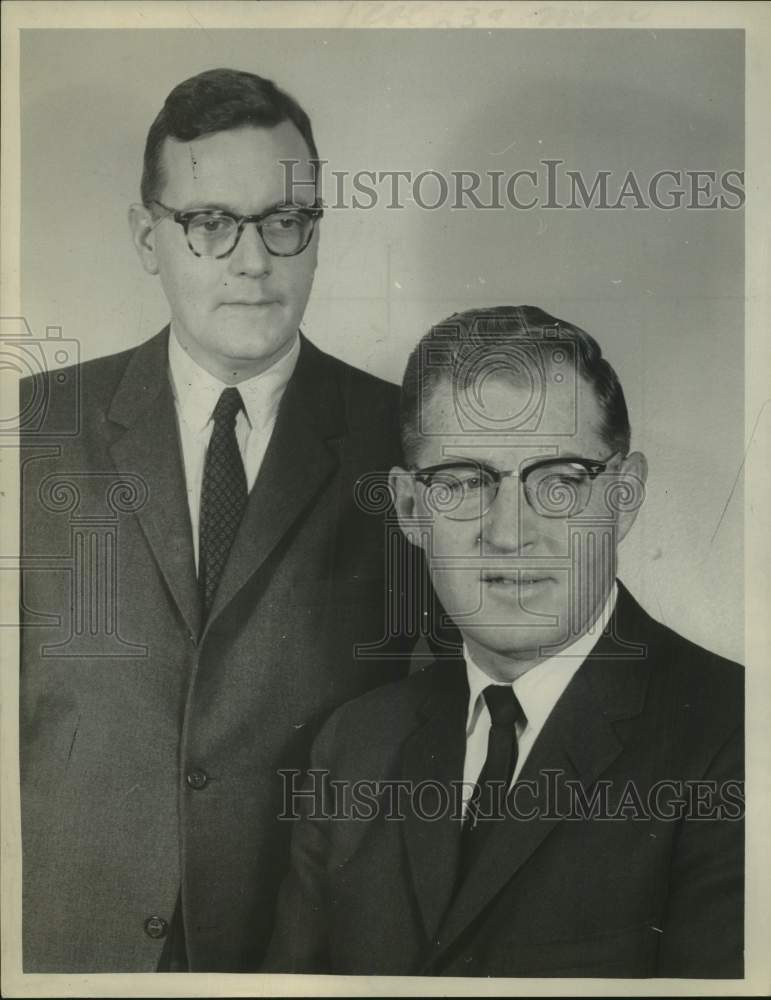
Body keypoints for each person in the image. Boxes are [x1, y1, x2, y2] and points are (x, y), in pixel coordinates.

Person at [19, 68, 439, 972]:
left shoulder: (404, 442)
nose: (255, 261)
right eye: (210, 222)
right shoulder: (31, 434)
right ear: (147, 237)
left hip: (305, 955)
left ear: (316, 231)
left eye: (285, 220)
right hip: (66, 955)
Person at [265, 305, 744, 978]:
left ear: (625, 495)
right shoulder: (352, 748)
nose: (510, 532)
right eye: (462, 482)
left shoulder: (739, 736)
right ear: (409, 509)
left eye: (558, 481)